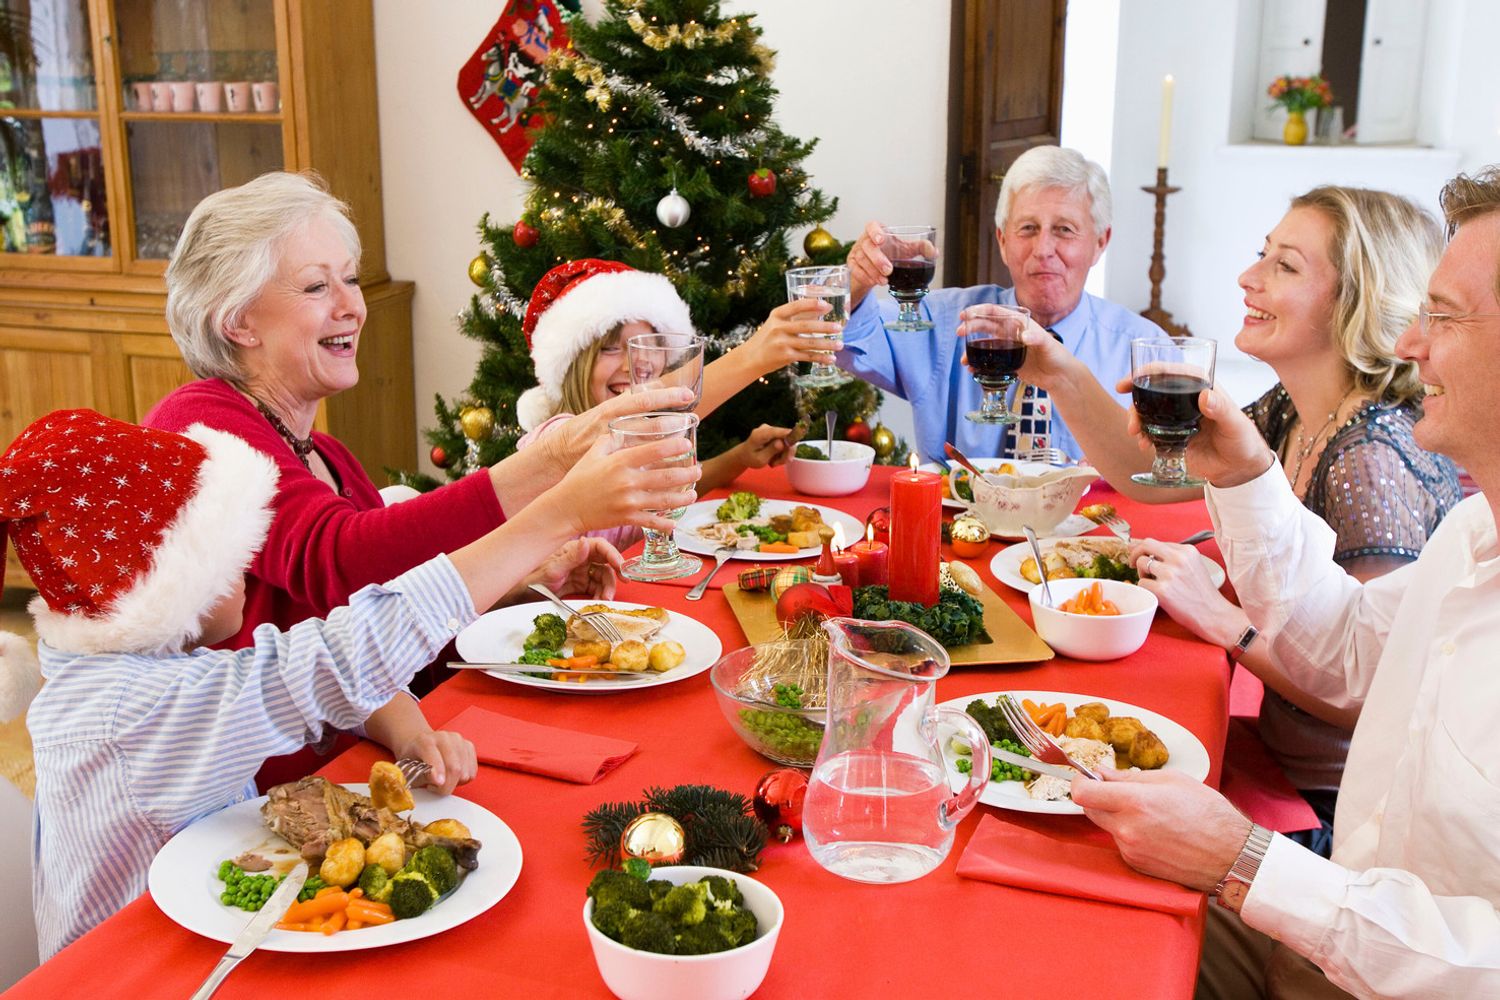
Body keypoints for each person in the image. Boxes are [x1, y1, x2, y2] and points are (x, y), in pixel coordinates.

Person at [0, 407, 696, 958]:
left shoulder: (137, 670)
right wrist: (553, 518)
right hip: (142, 977)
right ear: (159, 584)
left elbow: (296, 670)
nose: (248, 567)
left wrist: (401, 719)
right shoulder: (127, 712)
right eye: (225, 554)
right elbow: (331, 661)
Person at [1069, 167, 1500, 998]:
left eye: (1442, 317)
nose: (1410, 346)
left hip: (1352, 956)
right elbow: (1348, 649)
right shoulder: (1470, 536)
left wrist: (1247, 860)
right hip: (1319, 934)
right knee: (1070, 911)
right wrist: (1241, 476)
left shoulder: (1379, 454)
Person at [142, 172, 691, 783]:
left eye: (349, 279)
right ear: (237, 321)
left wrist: (521, 582)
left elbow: (385, 623)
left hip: (368, 762)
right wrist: (554, 474)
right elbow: (340, 560)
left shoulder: (328, 456)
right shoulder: (199, 422)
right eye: (317, 285)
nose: (351, 303)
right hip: (259, 800)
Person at [1006, 186, 1463, 856]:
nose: (1250, 277)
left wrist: (1226, 625)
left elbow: (1371, 693)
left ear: (1356, 298)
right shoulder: (1303, 407)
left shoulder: (1371, 460)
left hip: (1330, 815)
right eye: (1262, 256)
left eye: (1285, 266)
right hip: (1272, 754)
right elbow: (1153, 473)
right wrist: (1059, 371)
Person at [836, 145, 1164, 463]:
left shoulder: (1144, 352)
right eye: (1028, 229)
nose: (1043, 249)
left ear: (1100, 242)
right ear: (1003, 242)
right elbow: (844, 339)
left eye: (1064, 230)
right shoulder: (948, 322)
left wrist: (1112, 478)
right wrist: (857, 282)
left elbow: (1175, 469)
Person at [516, 257, 838, 546]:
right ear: (573, 364)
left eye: (647, 349)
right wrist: (754, 355)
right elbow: (649, 411)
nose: (633, 365)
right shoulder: (557, 439)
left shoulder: (632, 447)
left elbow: (662, 489)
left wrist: (739, 457)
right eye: (611, 349)